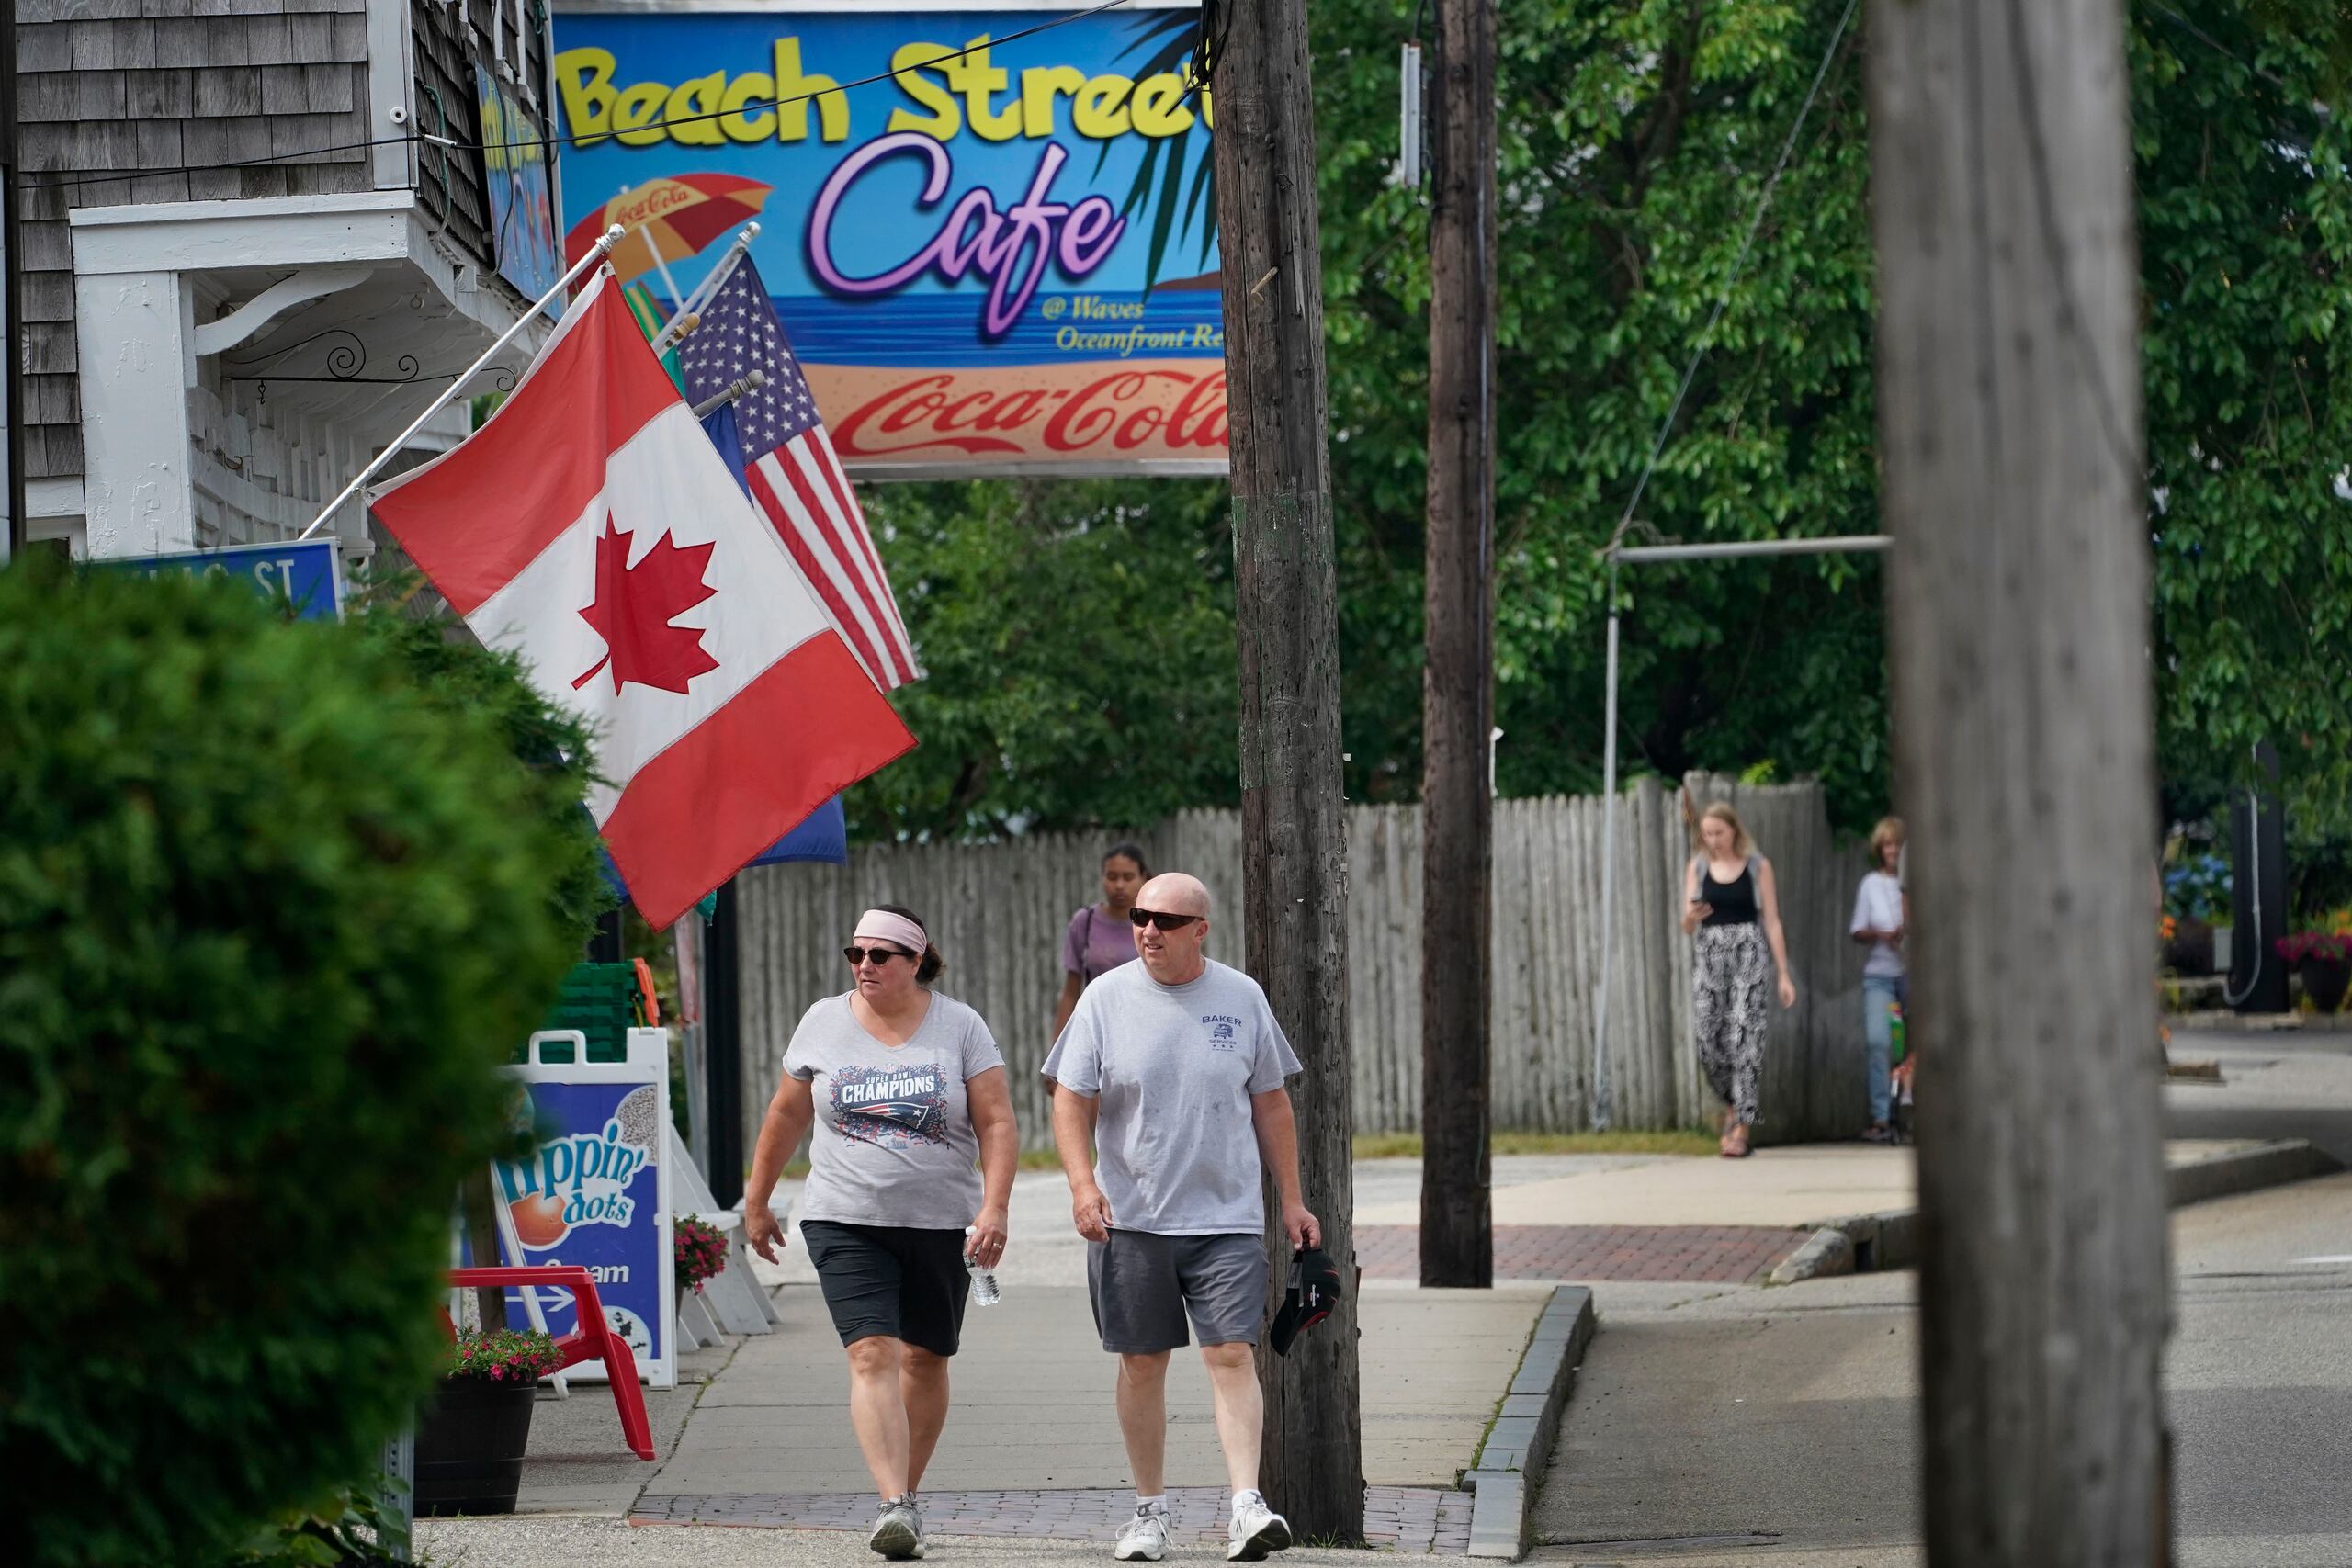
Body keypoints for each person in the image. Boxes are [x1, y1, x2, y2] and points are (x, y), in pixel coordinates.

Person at [1043, 872, 1317, 1563]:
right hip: (1132, 1219)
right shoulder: (1106, 998)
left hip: (1224, 1216)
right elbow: (1070, 1099)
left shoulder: (1241, 995)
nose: (1148, 930)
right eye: (1140, 916)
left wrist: (1291, 1198)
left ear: (1201, 929)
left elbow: (1272, 1102)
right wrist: (1081, 1185)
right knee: (1142, 1363)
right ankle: (1149, 1510)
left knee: (1230, 1351)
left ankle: (1246, 1506)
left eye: (1166, 919)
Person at [743, 905, 1018, 1561]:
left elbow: (998, 1122)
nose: (864, 964)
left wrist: (996, 1206)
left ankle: (909, 1498)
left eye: (880, 954)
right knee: (871, 1353)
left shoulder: (960, 1025)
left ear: (915, 961)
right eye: (856, 953)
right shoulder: (822, 1020)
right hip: (844, 1216)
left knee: (925, 1358)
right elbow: (786, 1113)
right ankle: (892, 1501)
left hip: (939, 1221)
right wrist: (757, 1200)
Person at [1679, 803, 1798, 1157]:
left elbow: (1773, 921)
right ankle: (1734, 1102)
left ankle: (1741, 1131)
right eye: (1707, 833)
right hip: (1710, 955)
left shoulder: (1758, 867)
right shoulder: (1698, 868)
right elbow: (1686, 926)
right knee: (1708, 1040)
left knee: (1746, 1037)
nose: (1712, 840)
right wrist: (1690, 916)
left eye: (1719, 832)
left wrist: (1784, 974)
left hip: (1748, 952)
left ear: (1734, 831)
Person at [1052, 843, 1151, 1041]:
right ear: (1103, 878)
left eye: (1128, 877)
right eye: (1112, 877)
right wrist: (1058, 1050)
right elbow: (1071, 992)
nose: (1119, 885)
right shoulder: (1085, 922)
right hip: (1099, 1030)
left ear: (1143, 878)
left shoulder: (1154, 922)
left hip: (1146, 1027)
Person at [1850, 817, 1909, 1143]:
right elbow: (1857, 929)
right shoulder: (1870, 884)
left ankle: (1911, 1113)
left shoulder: (1917, 883)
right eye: (1888, 845)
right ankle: (1881, 1118)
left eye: (1898, 845)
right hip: (1879, 975)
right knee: (1878, 1043)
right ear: (1880, 849)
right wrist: (1880, 934)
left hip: (1911, 973)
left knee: (1914, 1049)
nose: (1893, 851)